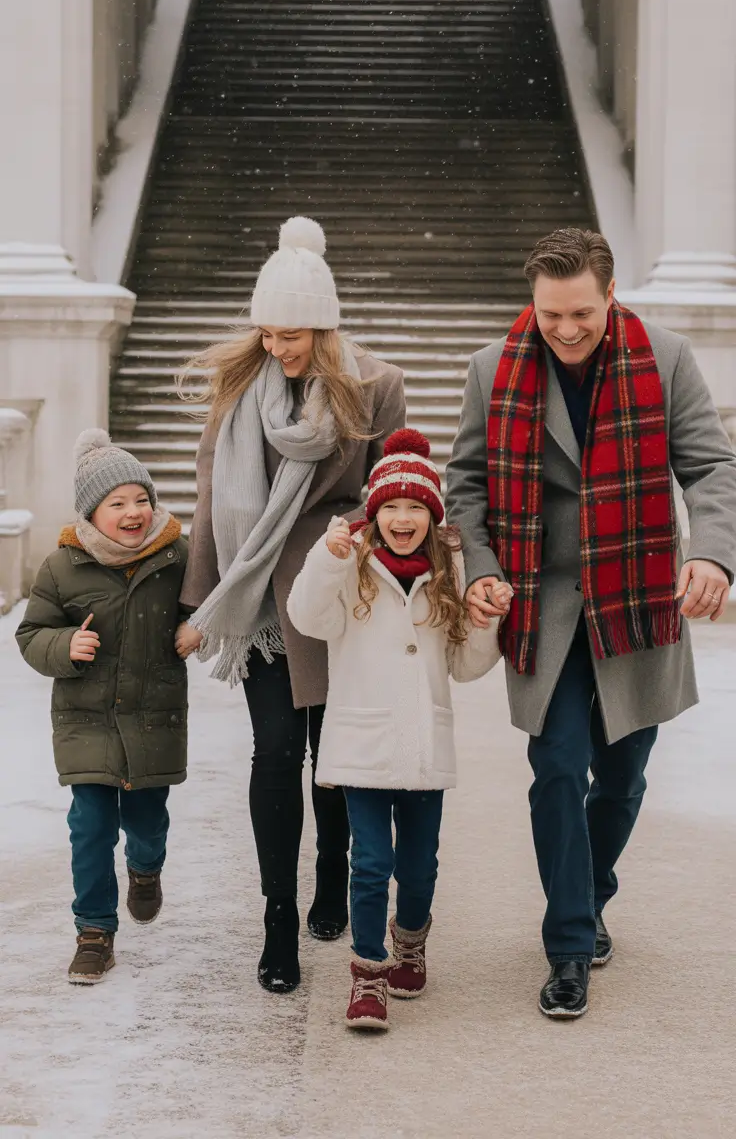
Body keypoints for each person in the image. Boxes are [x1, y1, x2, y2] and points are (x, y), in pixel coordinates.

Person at [446, 227, 736, 1020]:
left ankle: (590, 889)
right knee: (558, 769)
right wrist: (481, 567)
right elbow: (465, 484)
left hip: (637, 597)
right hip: (541, 605)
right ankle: (569, 945)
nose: (566, 330)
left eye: (581, 313)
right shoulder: (490, 369)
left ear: (610, 295)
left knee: (623, 778)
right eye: (551, 316)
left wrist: (713, 554)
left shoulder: (667, 358)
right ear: (531, 302)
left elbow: (711, 466)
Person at [174, 216, 405, 994]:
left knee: (332, 755)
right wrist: (200, 601)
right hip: (260, 599)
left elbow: (390, 491)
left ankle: (332, 876)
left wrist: (350, 538)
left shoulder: (375, 385)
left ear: (324, 327)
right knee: (275, 750)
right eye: (267, 333)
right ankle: (278, 917)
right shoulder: (240, 388)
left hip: (337, 591)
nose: (277, 348)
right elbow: (211, 495)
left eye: (292, 335)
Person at [288, 428, 510, 1030]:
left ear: (433, 516)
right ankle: (368, 972)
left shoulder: (447, 574)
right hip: (363, 745)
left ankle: (410, 941)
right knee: (370, 863)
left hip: (423, 746)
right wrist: (327, 558)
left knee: (418, 866)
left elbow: (465, 666)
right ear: (374, 513)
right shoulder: (350, 569)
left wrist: (486, 621)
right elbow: (306, 617)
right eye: (391, 507)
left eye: (416, 507)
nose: (403, 519)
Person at [16, 430, 188, 985]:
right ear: (92, 513)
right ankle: (93, 931)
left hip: (153, 717)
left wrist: (197, 627)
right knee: (90, 827)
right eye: (117, 503)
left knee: (147, 821)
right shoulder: (62, 566)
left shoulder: (176, 556)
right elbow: (31, 634)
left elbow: (206, 603)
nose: (133, 512)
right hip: (86, 720)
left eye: (141, 499)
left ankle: (145, 867)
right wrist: (64, 645)